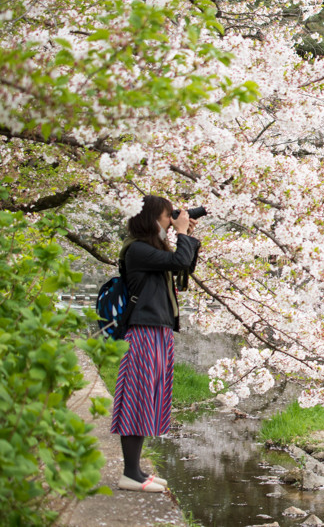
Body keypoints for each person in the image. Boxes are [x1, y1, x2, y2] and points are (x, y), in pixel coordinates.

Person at [111, 195, 200, 493]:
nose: (170, 221)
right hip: (143, 331)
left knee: (148, 397)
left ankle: (135, 470)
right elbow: (180, 260)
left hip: (157, 331)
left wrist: (189, 235)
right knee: (137, 397)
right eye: (166, 216)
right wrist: (183, 234)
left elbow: (184, 269)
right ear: (151, 218)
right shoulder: (136, 249)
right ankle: (129, 473)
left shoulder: (149, 249)